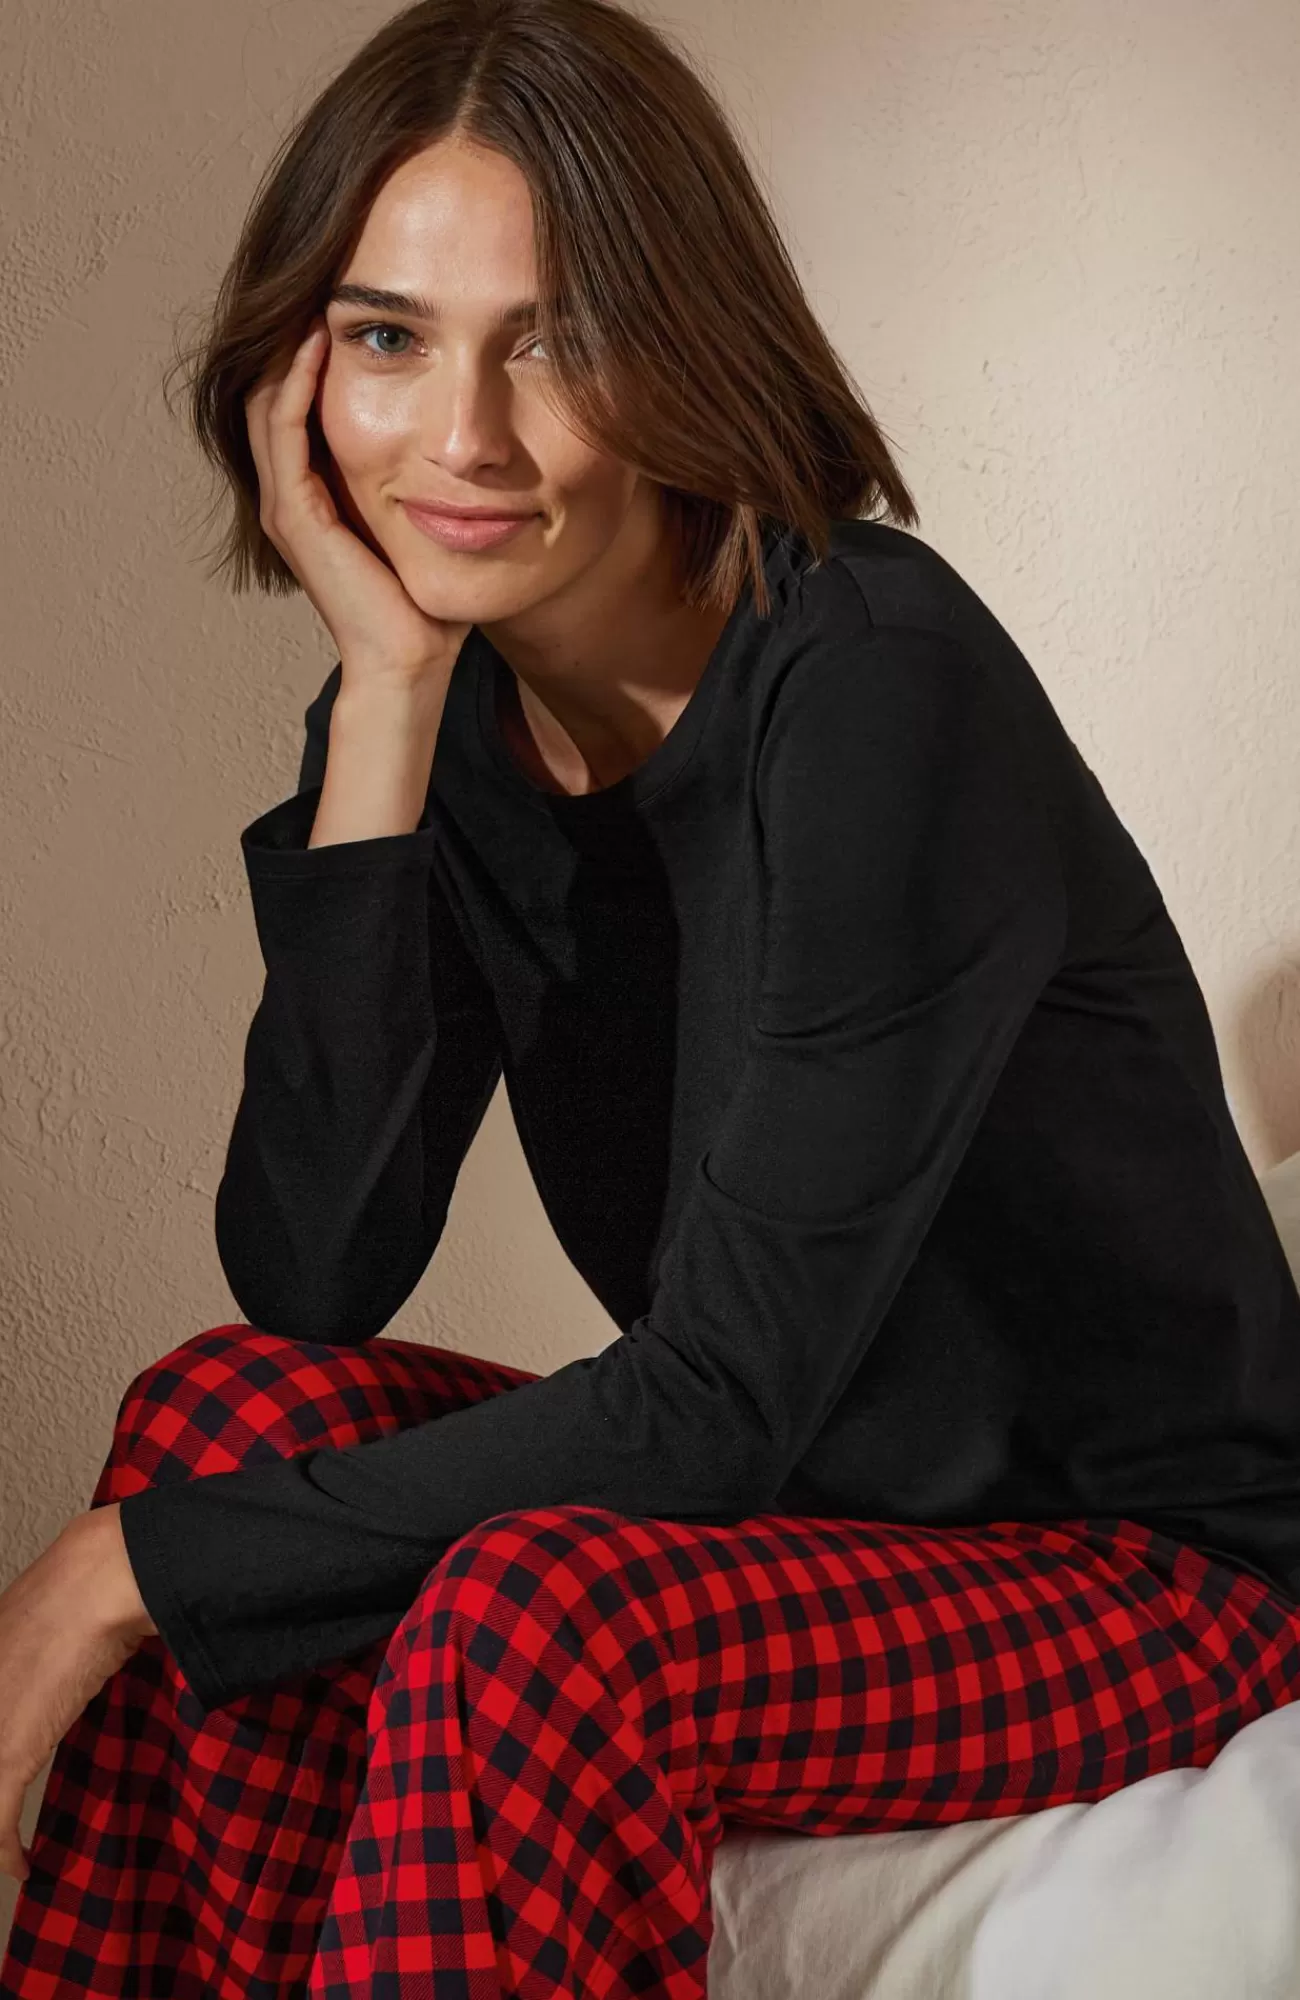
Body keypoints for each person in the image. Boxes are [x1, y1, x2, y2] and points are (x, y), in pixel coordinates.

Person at [4, 0, 1300, 1993]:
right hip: (804, 1526)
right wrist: (389, 703)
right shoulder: (445, 713)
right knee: (216, 1423)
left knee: (526, 1617)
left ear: (684, 345)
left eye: (550, 340)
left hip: (1135, 1567)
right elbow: (312, 1278)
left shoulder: (871, 677)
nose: (464, 436)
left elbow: (712, 1407)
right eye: (388, 338)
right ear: (297, 376)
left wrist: (105, 1580)